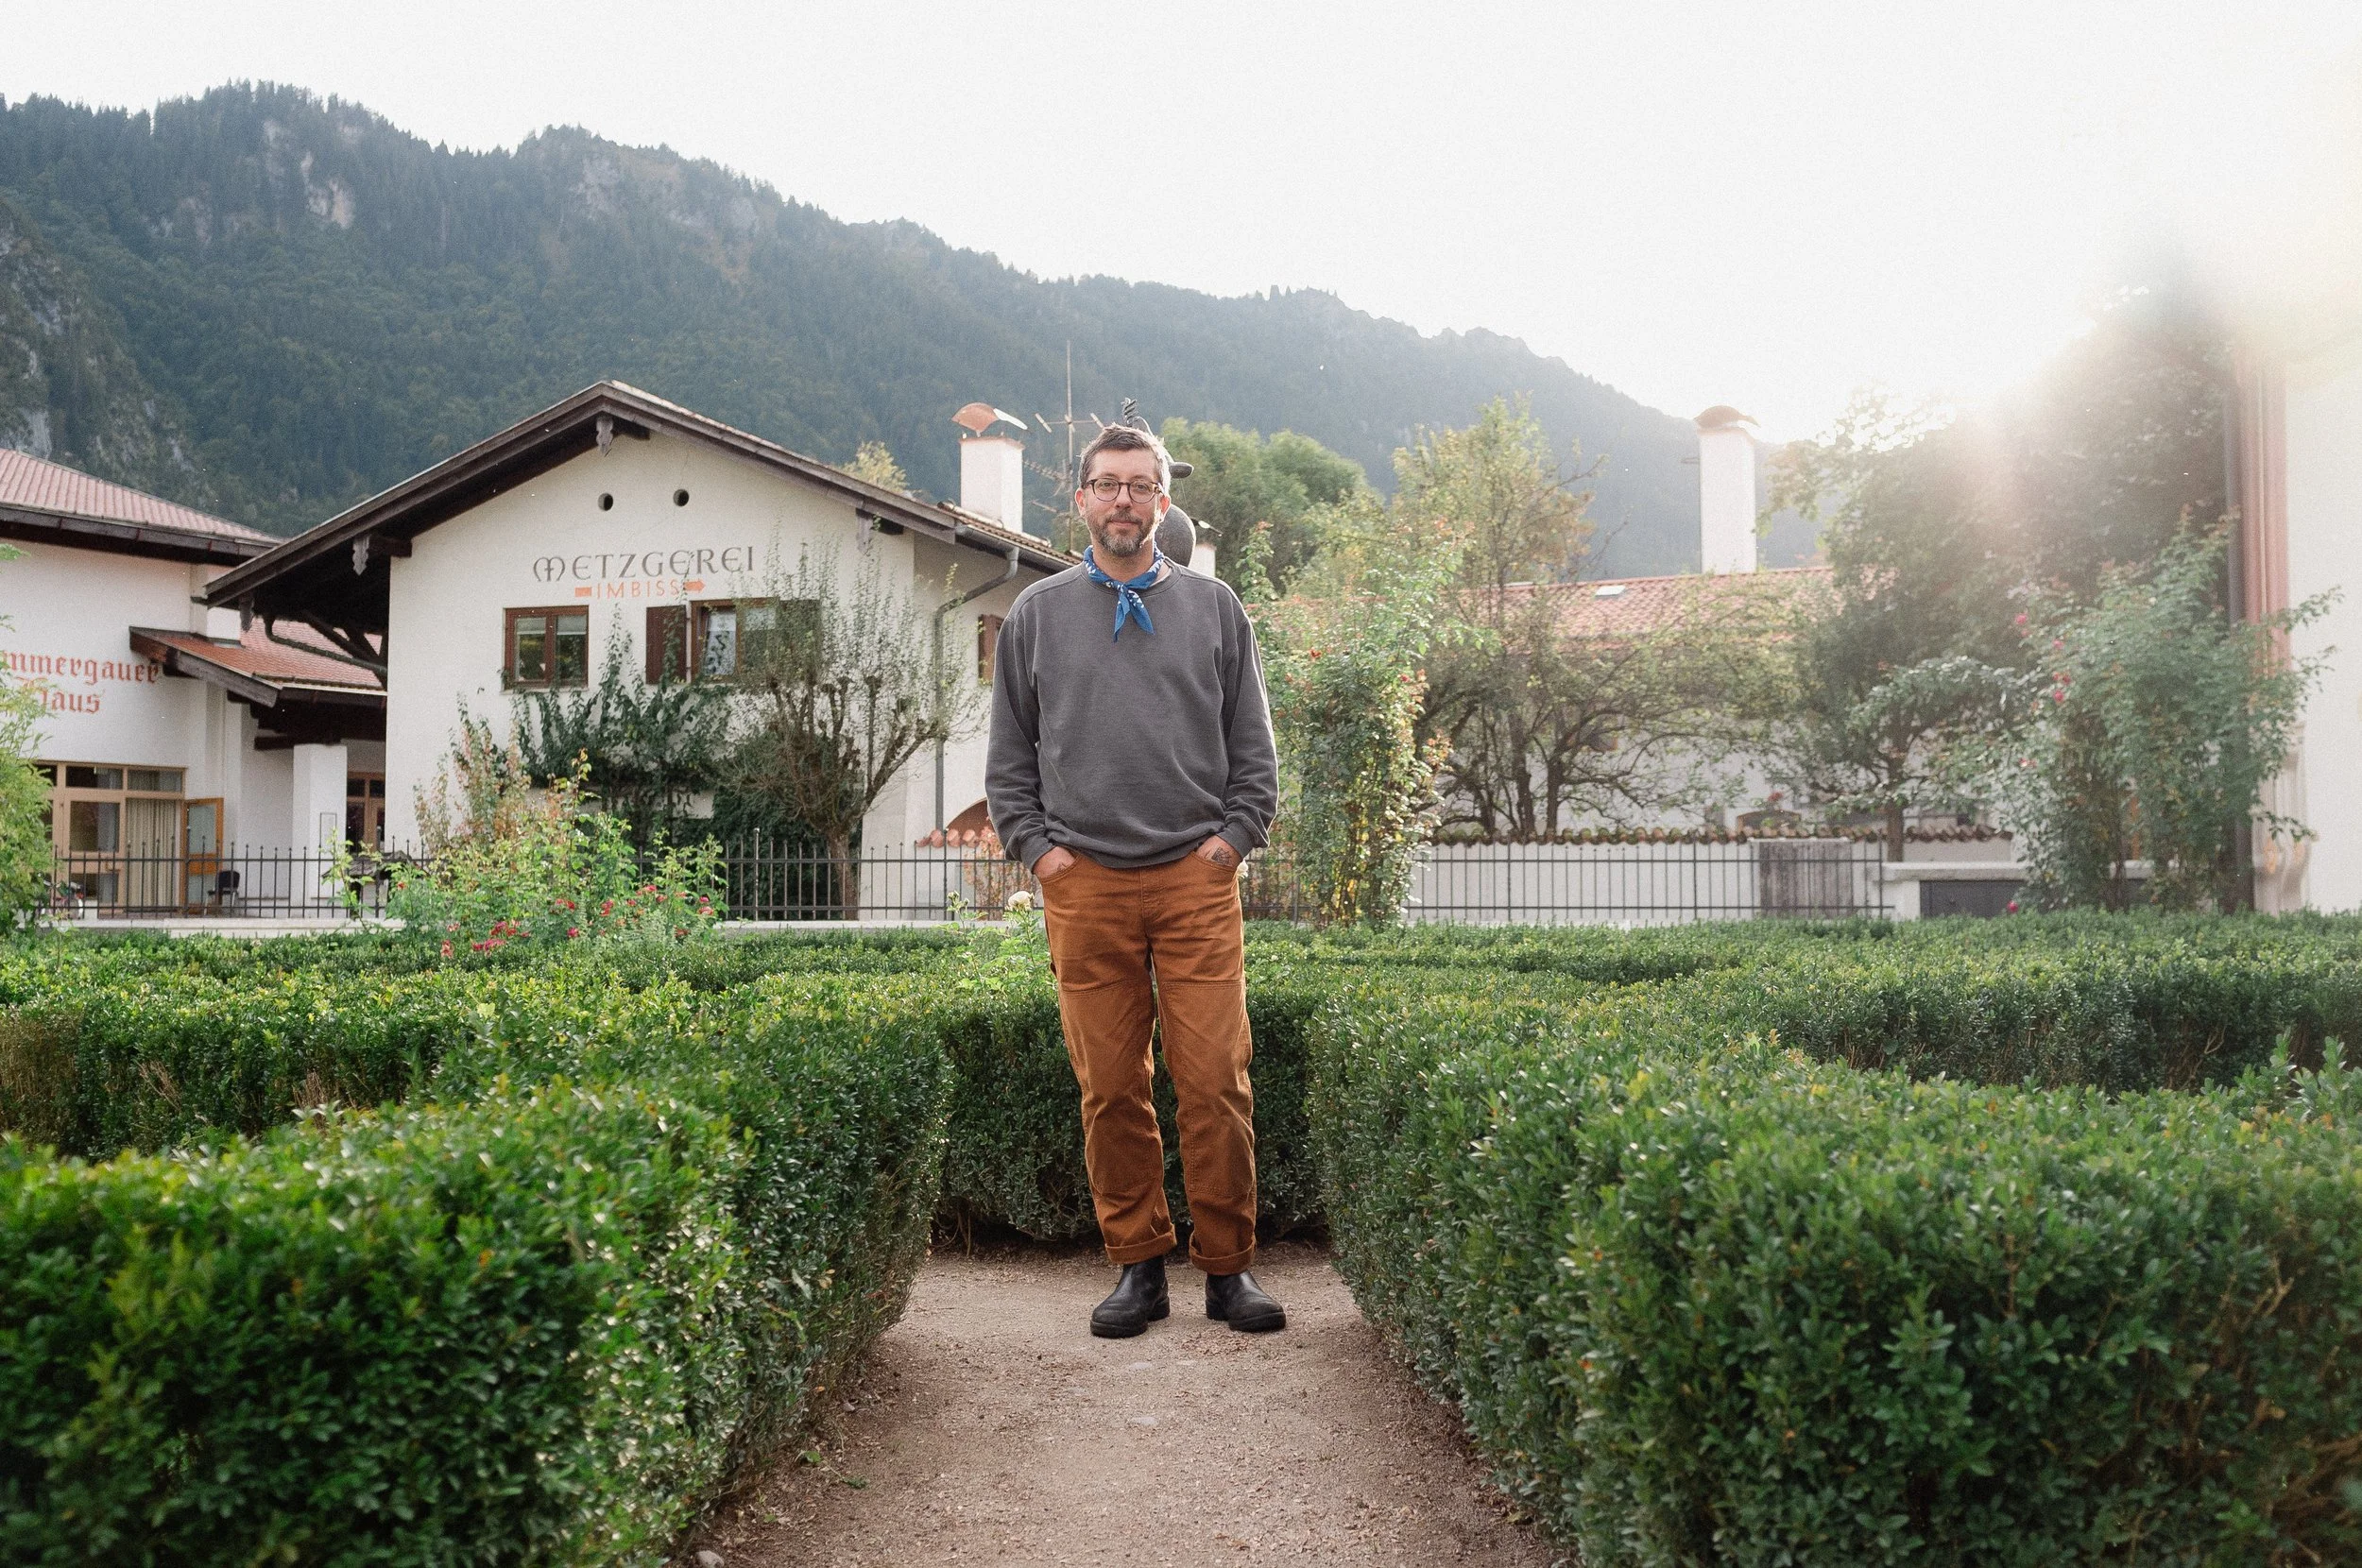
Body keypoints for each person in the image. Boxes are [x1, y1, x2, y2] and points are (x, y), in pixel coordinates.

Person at [985, 422, 1284, 1338]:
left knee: (1214, 1080)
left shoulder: (1217, 609)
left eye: (1140, 485)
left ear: (1163, 500)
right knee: (1110, 1086)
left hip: (1196, 882)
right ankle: (1137, 1267)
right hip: (1087, 887)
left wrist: (1230, 843)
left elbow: (1255, 760)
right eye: (1107, 484)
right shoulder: (1035, 616)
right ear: (1080, 500)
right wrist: (1041, 854)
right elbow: (1008, 764)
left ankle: (1228, 1270)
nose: (1123, 500)